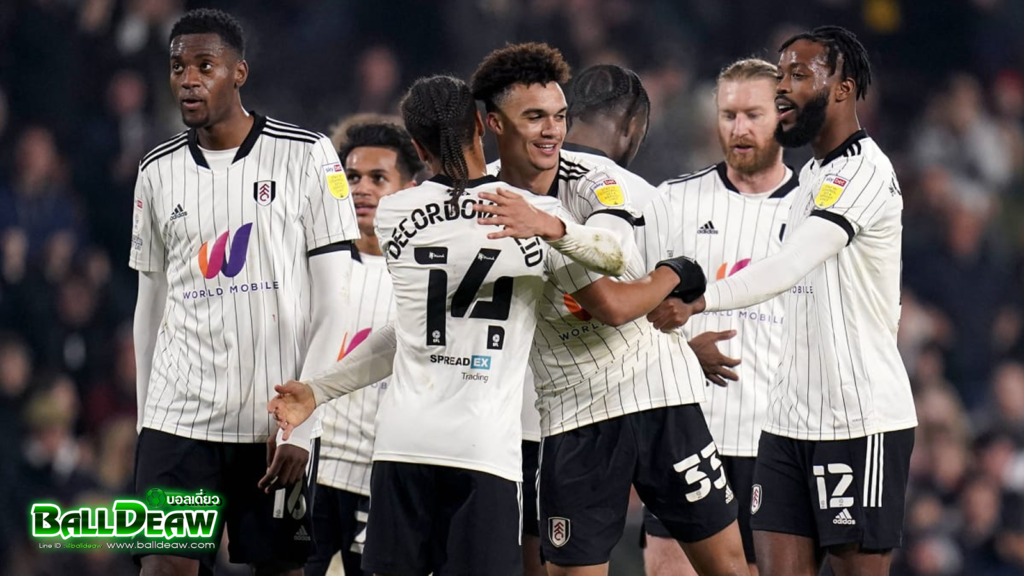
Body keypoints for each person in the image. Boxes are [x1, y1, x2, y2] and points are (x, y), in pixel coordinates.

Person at [268, 75, 695, 575]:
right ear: (479, 125)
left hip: (402, 448)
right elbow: (613, 268)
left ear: (418, 147)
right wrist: (672, 271)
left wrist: (317, 390)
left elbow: (405, 335)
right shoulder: (533, 216)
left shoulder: (395, 213)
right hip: (484, 451)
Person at [470, 42, 748, 576]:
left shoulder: (601, 182)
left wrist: (552, 227)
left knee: (728, 566)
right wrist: (674, 273)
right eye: (534, 117)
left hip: (659, 397)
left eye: (559, 117)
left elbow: (612, 252)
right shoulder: (480, 201)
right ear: (494, 125)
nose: (552, 131)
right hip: (570, 415)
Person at [661, 26, 918, 576]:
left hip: (857, 421)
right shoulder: (813, 178)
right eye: (780, 75)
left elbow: (791, 263)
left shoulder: (865, 172)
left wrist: (700, 301)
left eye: (799, 76)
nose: (783, 88)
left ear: (843, 89)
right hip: (785, 425)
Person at [129, 9, 359, 576]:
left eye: (205, 66)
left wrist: (305, 422)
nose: (188, 79)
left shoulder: (307, 154)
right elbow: (150, 306)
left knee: (281, 568)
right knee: (163, 568)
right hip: (178, 422)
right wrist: (146, 421)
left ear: (239, 73)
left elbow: (335, 302)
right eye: (178, 67)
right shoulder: (156, 172)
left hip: (271, 422)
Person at [640, 58, 799, 576]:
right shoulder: (673, 201)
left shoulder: (816, 212)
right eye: (728, 115)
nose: (739, 128)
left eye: (753, 115)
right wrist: (683, 354)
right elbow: (630, 309)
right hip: (684, 434)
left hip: (776, 446)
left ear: (782, 115)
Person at [302, 120, 423, 576]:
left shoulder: (423, 280)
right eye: (352, 177)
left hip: (380, 478)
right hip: (311, 468)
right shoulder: (310, 268)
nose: (362, 189)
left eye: (377, 178)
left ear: (408, 190)